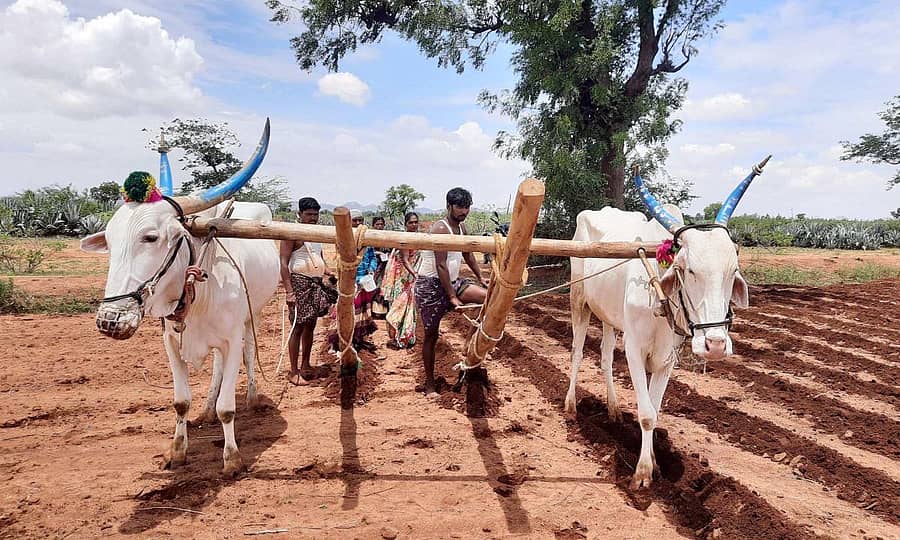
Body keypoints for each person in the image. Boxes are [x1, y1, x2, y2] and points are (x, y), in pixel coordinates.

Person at [415, 188, 489, 396]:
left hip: (453, 281)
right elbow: (441, 266)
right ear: (449, 206)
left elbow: (468, 254)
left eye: (467, 207)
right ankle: (430, 384)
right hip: (430, 286)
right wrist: (452, 297)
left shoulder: (462, 228)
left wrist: (481, 277)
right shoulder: (440, 229)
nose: (464, 211)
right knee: (431, 335)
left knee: (489, 299)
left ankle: (469, 343)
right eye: (459, 207)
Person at [279, 197, 337, 386]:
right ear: (300, 214)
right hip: (299, 284)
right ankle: (293, 371)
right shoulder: (292, 234)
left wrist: (329, 272)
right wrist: (289, 291)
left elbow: (318, 259)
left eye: (315, 214)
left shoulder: (316, 235)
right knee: (297, 327)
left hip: (315, 284)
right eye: (309, 214)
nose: (313, 218)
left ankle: (306, 365)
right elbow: (283, 263)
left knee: (310, 326)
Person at [328, 209, 379, 352]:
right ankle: (338, 341)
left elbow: (372, 259)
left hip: (364, 281)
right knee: (345, 311)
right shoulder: (341, 241)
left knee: (362, 311)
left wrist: (371, 270)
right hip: (349, 283)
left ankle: (358, 338)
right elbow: (340, 262)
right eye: (354, 220)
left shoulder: (366, 241)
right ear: (349, 223)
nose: (357, 223)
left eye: (360, 220)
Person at [382, 212, 421, 348]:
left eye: (416, 222)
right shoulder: (404, 239)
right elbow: (405, 260)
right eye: (411, 222)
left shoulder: (418, 237)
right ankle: (397, 336)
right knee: (400, 305)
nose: (414, 225)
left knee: (409, 306)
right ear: (405, 224)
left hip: (410, 275)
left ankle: (406, 336)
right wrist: (415, 274)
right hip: (403, 277)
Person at [370, 216, 391, 318]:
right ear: (373, 225)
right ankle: (372, 311)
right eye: (377, 224)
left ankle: (382, 311)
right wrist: (376, 253)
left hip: (384, 267)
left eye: (381, 224)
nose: (379, 226)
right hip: (373, 266)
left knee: (382, 287)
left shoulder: (387, 237)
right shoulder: (369, 237)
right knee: (372, 286)